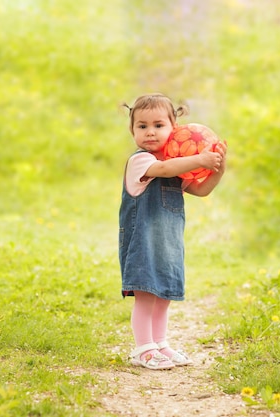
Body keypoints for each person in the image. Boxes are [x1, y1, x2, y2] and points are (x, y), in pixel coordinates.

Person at [119, 93, 227, 370]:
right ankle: (143, 349)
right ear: (133, 131)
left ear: (174, 128)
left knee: (163, 296)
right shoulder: (141, 162)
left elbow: (201, 190)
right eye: (142, 126)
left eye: (158, 125)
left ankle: (160, 344)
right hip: (143, 244)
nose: (150, 132)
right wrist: (200, 159)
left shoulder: (178, 168)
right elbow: (165, 168)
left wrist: (217, 168)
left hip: (167, 245)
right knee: (146, 296)